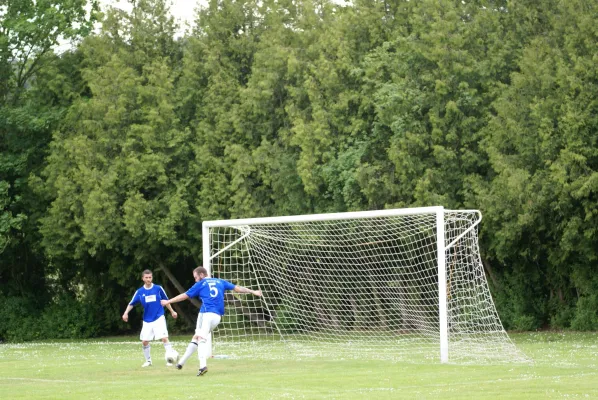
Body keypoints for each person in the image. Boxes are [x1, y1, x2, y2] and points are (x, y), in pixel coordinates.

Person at [161, 266, 262, 376]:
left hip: (207, 314)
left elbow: (184, 295)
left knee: (200, 338)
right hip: (217, 317)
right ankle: (181, 363)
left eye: (195, 277)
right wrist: (253, 291)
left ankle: (202, 366)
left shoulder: (200, 284)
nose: (195, 280)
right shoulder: (220, 281)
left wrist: (168, 301)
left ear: (201, 275)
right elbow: (237, 288)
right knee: (196, 336)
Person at [122, 269, 178, 368]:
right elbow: (131, 303)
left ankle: (170, 359)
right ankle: (148, 361)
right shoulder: (140, 292)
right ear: (143, 278)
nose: (148, 279)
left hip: (159, 316)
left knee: (164, 338)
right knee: (144, 341)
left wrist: (172, 311)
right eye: (146, 277)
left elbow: (165, 301)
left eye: (150, 277)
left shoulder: (158, 288)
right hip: (147, 319)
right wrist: (126, 313)